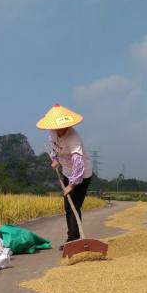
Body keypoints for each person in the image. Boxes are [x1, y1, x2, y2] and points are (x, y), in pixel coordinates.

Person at [36, 104, 93, 249]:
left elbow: (78, 163)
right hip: (67, 172)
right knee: (68, 207)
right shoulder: (53, 132)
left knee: (74, 206)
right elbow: (55, 147)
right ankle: (73, 238)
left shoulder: (73, 138)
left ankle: (73, 240)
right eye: (57, 127)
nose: (60, 130)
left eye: (63, 127)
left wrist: (72, 185)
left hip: (82, 174)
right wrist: (55, 159)